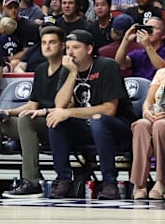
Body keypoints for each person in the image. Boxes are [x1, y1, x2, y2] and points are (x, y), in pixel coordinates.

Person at [0, 26, 66, 198]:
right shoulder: (40, 69)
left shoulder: (68, 69)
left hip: (57, 125)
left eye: (52, 42)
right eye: (44, 43)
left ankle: (32, 181)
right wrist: (8, 111)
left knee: (26, 119)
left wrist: (37, 113)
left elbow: (66, 106)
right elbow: (32, 105)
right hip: (35, 123)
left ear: (62, 46)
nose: (47, 46)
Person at [47, 30, 137, 199]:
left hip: (118, 128)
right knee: (56, 120)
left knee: (97, 120)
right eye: (67, 48)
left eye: (75, 47)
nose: (70, 52)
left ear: (89, 49)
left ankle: (110, 183)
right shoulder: (68, 69)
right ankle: (64, 180)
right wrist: (72, 74)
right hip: (87, 128)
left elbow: (109, 109)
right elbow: (59, 106)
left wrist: (69, 112)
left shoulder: (107, 66)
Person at [130, 67, 165, 199]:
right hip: (157, 116)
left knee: (160, 126)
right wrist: (146, 112)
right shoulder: (162, 73)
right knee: (141, 125)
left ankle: (161, 181)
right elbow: (148, 102)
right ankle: (139, 183)